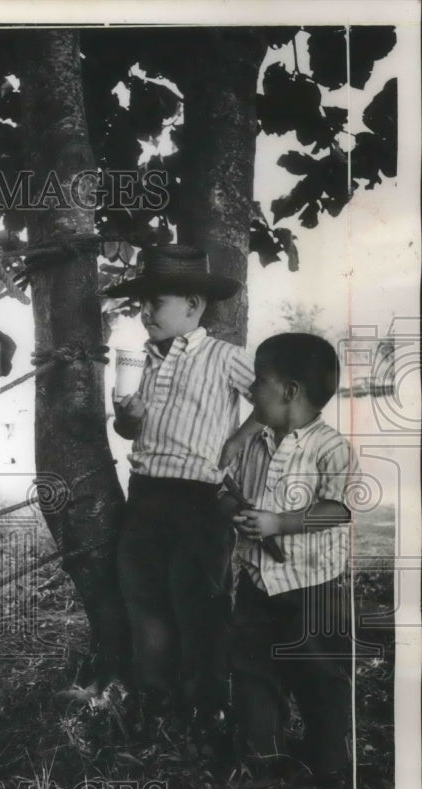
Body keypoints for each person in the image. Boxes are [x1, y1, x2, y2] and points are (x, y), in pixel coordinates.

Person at [107, 244, 261, 743]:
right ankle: (154, 700)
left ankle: (208, 706)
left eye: (157, 302)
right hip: (147, 493)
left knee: (200, 601)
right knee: (145, 598)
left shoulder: (225, 357)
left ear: (193, 305)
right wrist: (127, 418)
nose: (146, 312)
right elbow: (133, 431)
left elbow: (276, 398)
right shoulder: (144, 361)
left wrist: (241, 436)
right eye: (142, 304)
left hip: (201, 499)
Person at [221, 333, 357, 786]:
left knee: (319, 676)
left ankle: (329, 765)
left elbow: (339, 508)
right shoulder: (255, 442)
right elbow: (229, 492)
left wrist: (279, 522)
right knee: (253, 673)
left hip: (311, 587)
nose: (251, 389)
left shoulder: (330, 447)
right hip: (258, 584)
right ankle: (264, 757)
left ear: (289, 390)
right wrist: (237, 513)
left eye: (259, 380)